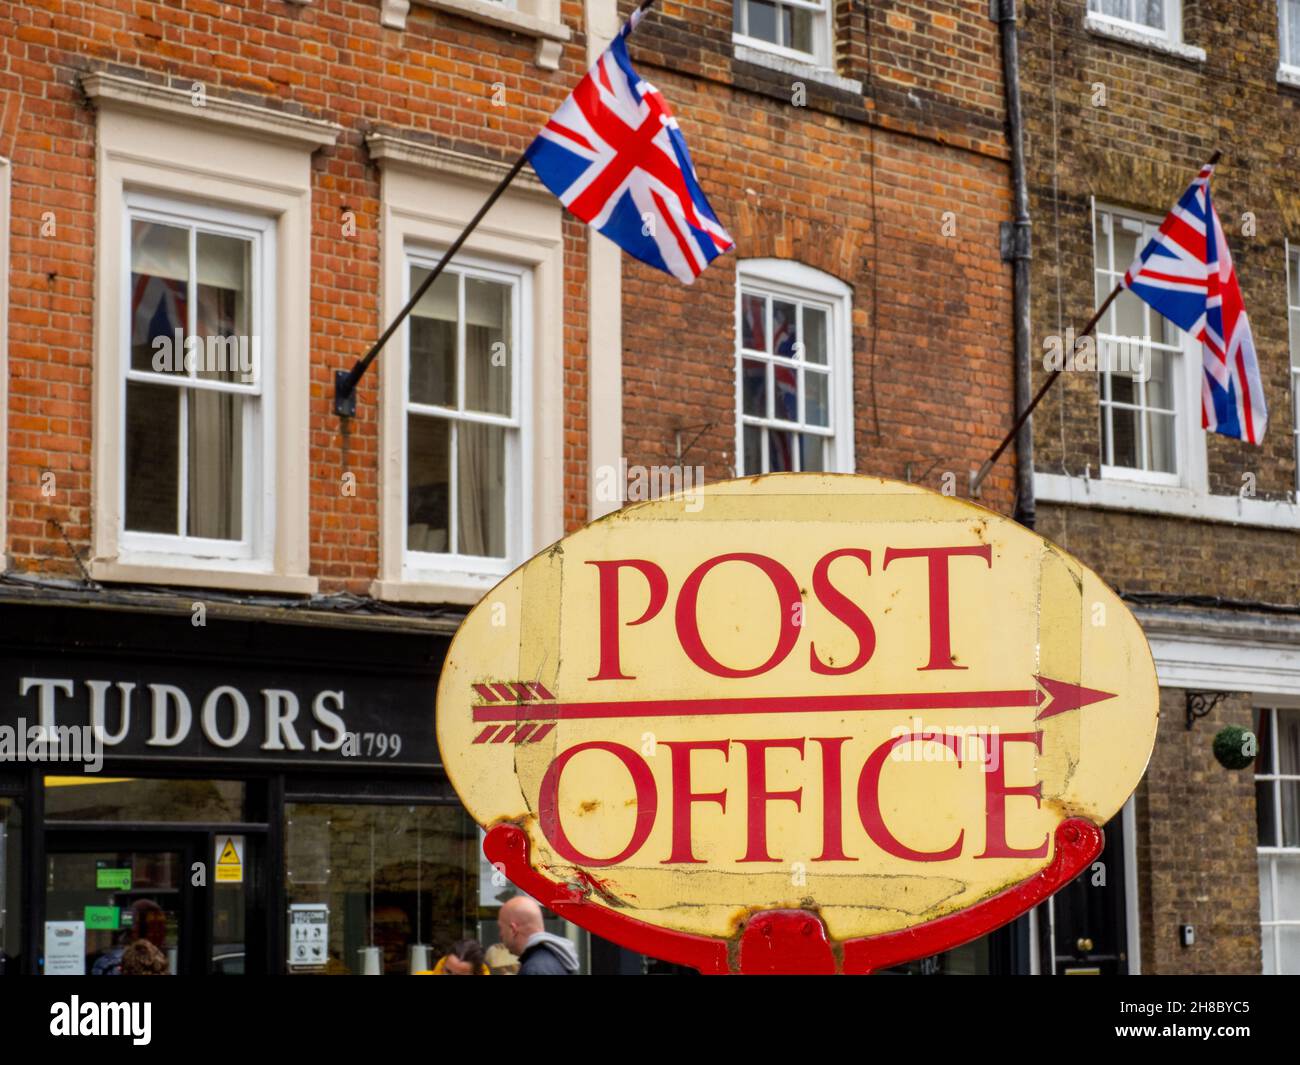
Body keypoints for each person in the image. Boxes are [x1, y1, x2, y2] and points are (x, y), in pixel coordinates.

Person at [496, 896, 578, 975]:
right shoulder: (554, 958)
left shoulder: (534, 969)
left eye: (501, 928)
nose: (500, 935)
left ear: (513, 930)